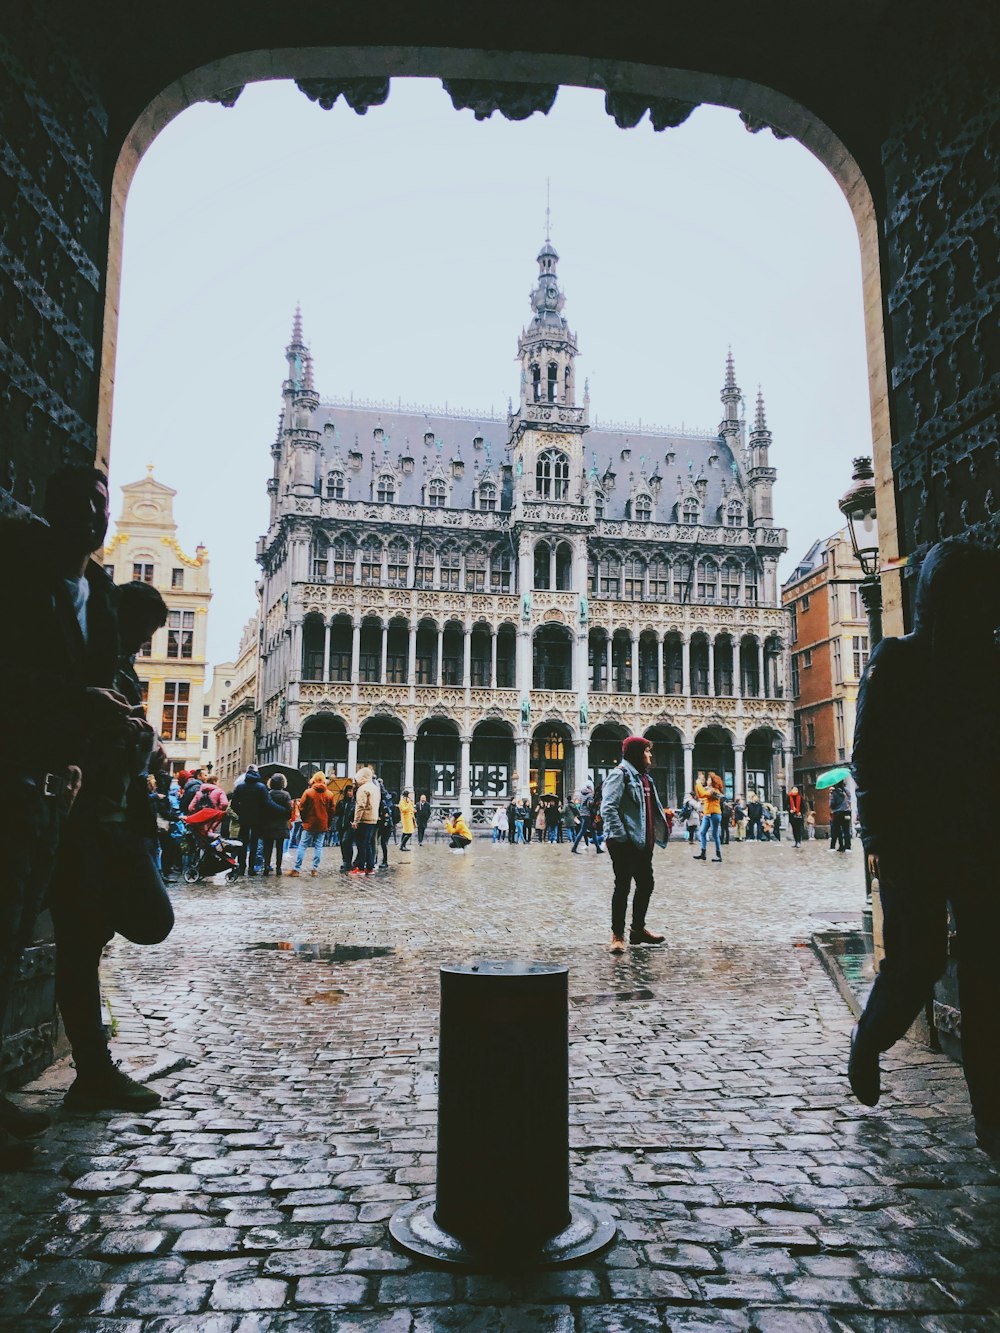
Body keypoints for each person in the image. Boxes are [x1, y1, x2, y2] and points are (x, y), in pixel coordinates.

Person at [848, 539, 1000, 1162]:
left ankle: (991, 1122)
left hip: (980, 837)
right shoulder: (897, 659)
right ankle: (871, 1038)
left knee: (990, 973)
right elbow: (868, 757)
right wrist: (879, 837)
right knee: (918, 959)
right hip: (914, 840)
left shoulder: (991, 661)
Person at [600, 736, 670, 953]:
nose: (650, 755)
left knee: (646, 884)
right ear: (637, 753)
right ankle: (617, 935)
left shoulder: (644, 778)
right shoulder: (620, 774)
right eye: (647, 751)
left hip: (642, 842)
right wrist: (622, 836)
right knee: (622, 886)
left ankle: (638, 930)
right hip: (625, 843)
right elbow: (608, 808)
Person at [289, 772, 335, 876]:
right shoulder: (329, 794)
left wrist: (305, 820)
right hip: (322, 824)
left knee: (303, 845)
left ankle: (296, 868)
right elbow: (332, 811)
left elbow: (302, 807)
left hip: (309, 823)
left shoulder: (308, 792)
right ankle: (314, 869)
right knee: (318, 846)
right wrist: (327, 822)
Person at [230, 765, 269, 876]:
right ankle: (251, 868)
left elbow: (233, 804)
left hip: (244, 819)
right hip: (258, 819)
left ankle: (242, 867)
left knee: (242, 843)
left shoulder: (240, 787)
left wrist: (241, 812)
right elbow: (266, 803)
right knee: (254, 844)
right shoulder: (261, 787)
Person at [260, 774, 293, 875]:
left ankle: (266, 866)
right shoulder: (286, 795)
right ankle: (278, 868)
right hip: (281, 824)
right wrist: (286, 818)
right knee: (280, 847)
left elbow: (264, 809)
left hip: (268, 824)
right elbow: (289, 810)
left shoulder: (268, 794)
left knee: (268, 847)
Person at [351, 765, 381, 875]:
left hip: (364, 819)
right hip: (373, 819)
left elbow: (360, 806)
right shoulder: (375, 788)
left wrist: (356, 821)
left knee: (361, 844)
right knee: (368, 844)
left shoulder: (363, 789)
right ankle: (370, 866)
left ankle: (360, 867)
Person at [694, 771, 724, 863]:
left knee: (715, 834)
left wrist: (698, 784)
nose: (707, 780)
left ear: (713, 781)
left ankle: (718, 855)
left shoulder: (714, 791)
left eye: (709, 779)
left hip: (715, 814)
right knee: (702, 832)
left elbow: (702, 794)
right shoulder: (709, 789)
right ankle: (703, 853)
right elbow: (699, 795)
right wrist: (697, 785)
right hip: (707, 814)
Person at [335, 782, 356, 872]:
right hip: (341, 825)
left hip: (349, 826)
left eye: (351, 791)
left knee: (346, 842)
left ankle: (348, 862)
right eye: (348, 791)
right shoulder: (341, 802)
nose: (350, 793)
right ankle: (345, 861)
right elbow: (337, 813)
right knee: (342, 844)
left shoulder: (354, 803)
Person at [571, 783, 596, 853]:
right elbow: (590, 804)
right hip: (587, 814)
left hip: (582, 814)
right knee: (582, 832)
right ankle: (574, 848)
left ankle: (598, 848)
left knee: (592, 832)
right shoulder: (590, 794)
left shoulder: (581, 794)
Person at [829, 781, 852, 851]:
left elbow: (832, 804)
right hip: (847, 812)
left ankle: (841, 846)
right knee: (846, 830)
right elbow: (850, 800)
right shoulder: (846, 790)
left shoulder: (834, 792)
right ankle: (848, 847)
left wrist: (830, 795)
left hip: (838, 813)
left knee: (837, 829)